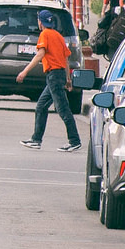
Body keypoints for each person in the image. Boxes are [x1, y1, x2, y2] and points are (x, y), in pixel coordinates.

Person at [17, 9, 81, 152]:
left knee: (62, 108)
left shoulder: (44, 34)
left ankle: (74, 140)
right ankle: (36, 139)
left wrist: (24, 71)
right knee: (41, 106)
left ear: (41, 22)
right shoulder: (58, 36)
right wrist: (68, 79)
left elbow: (40, 54)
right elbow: (66, 58)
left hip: (53, 75)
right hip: (59, 75)